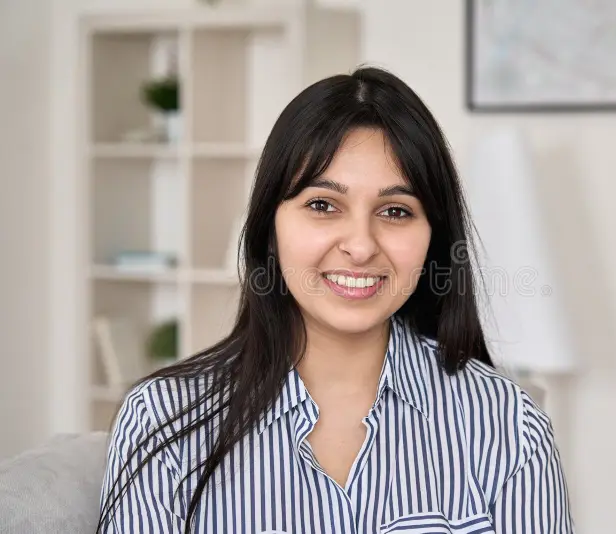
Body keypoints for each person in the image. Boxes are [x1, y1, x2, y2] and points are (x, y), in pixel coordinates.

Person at [97, 66, 574, 534]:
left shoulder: (509, 426)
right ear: (270, 227)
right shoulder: (163, 420)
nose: (361, 245)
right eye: (323, 205)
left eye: (395, 211)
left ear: (434, 238)